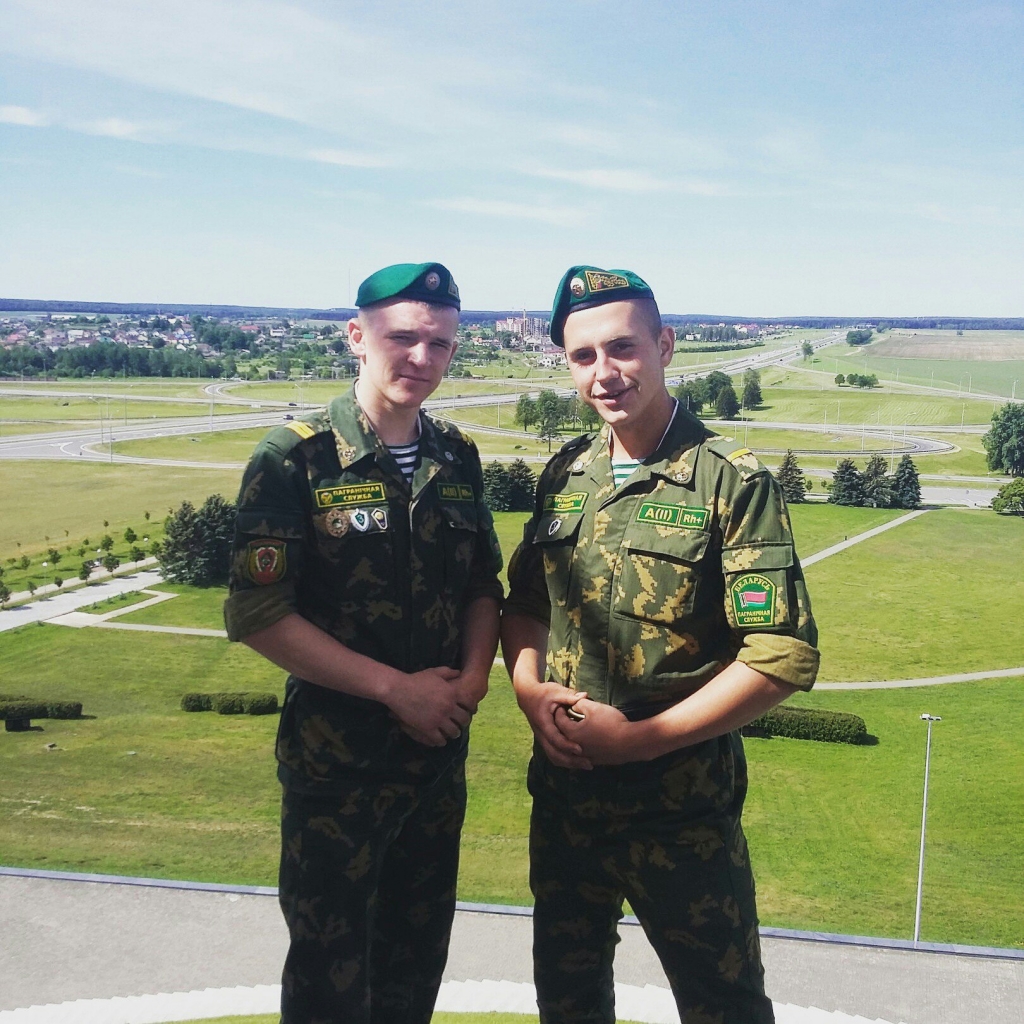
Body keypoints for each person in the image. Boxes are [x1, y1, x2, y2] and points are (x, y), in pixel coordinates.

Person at [501, 266, 820, 1024]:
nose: (604, 374)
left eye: (623, 348)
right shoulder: (566, 473)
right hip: (566, 804)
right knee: (568, 1003)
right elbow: (526, 604)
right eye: (583, 356)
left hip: (681, 818)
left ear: (665, 345)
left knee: (724, 1007)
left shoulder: (729, 481)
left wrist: (640, 742)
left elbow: (779, 654)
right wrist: (528, 690)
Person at [224, 262, 502, 1024]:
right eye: (402, 337)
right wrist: (395, 691)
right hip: (336, 773)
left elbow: (483, 585)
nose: (421, 357)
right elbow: (258, 613)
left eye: (440, 344)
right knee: (330, 984)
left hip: (435, 766)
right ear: (356, 336)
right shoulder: (295, 459)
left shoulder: (457, 457)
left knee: (415, 972)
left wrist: (472, 682)